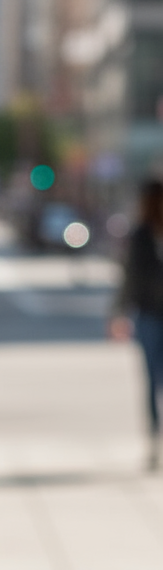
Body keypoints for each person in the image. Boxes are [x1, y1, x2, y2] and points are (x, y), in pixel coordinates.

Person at [112, 178, 163, 470]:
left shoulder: (142, 234)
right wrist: (120, 311)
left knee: (153, 380)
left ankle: (155, 440)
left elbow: (129, 277)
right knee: (152, 380)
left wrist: (120, 311)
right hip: (148, 315)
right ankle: (155, 439)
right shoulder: (141, 235)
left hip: (148, 314)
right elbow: (130, 276)